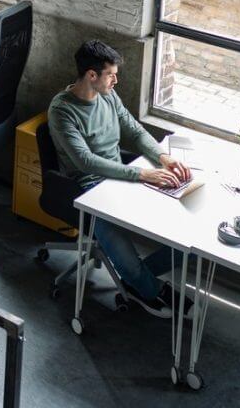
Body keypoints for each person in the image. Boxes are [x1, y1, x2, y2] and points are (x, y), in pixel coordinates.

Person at [48, 40, 191, 318]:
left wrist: (163, 158)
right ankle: (148, 290)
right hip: (88, 189)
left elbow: (134, 131)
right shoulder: (62, 110)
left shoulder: (108, 96)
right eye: (111, 74)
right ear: (92, 75)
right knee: (124, 253)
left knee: (185, 234)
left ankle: (137, 279)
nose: (116, 80)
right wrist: (142, 174)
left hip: (120, 177)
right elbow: (85, 161)